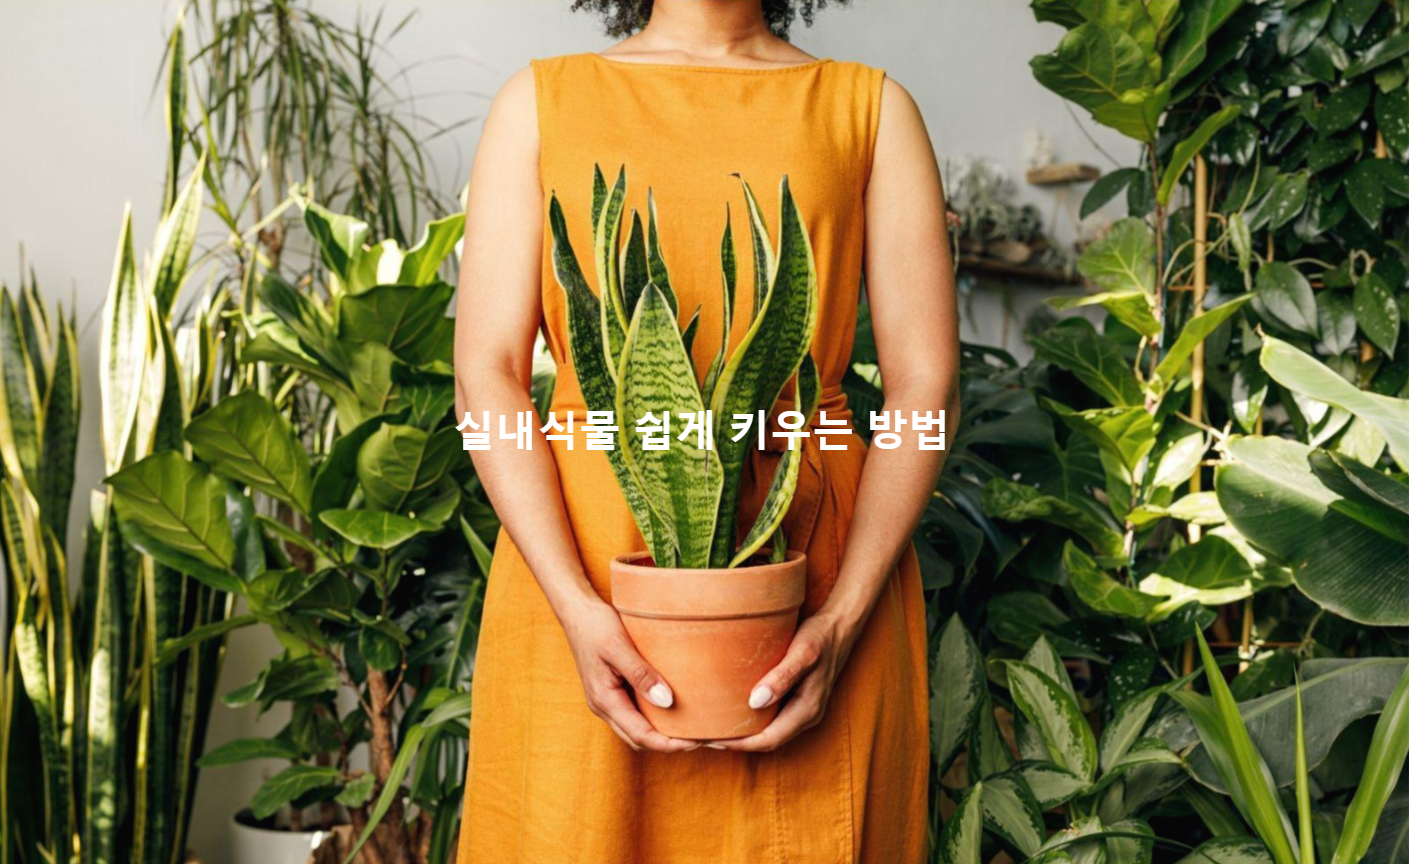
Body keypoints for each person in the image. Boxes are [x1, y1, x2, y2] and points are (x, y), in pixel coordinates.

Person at [453, 1, 959, 860]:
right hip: (579, 567)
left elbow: (925, 387)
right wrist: (575, 609)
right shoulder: (538, 103)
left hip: (812, 576)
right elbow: (485, 377)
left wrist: (840, 621)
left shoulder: (869, 109)